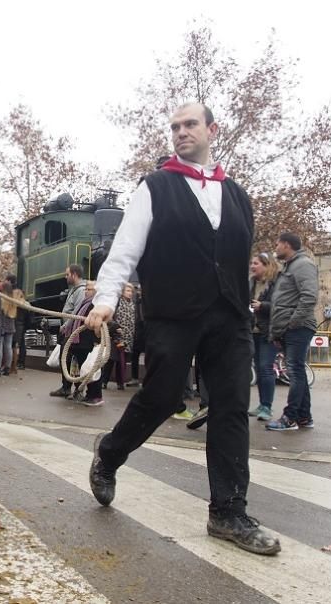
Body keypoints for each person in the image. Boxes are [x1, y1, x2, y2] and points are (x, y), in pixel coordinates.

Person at [85, 103, 280, 555]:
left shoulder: (238, 194)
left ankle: (228, 512)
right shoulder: (155, 187)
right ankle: (110, 454)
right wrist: (106, 300)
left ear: (212, 130)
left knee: (231, 407)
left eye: (189, 124)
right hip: (174, 312)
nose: (180, 132)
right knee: (162, 398)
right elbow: (125, 250)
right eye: (174, 127)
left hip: (229, 316)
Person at [266, 232, 319, 431]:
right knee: (297, 371)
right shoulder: (289, 267)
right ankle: (304, 417)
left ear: (287, 245)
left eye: (277, 244)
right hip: (289, 329)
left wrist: (292, 324)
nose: (276, 247)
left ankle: (290, 417)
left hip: (298, 327)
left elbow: (309, 297)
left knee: (295, 371)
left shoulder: (303, 264)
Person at [61, 281, 104, 406]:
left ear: (96, 291)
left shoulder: (96, 306)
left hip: (88, 343)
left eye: (89, 289)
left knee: (91, 369)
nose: (86, 291)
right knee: (80, 369)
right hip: (79, 343)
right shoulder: (84, 303)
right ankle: (82, 392)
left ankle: (95, 395)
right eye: (86, 288)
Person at [248, 252, 280, 421]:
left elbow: (280, 305)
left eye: (256, 263)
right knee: (259, 369)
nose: (252, 266)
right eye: (252, 263)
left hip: (268, 331)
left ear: (267, 266)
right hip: (253, 331)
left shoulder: (275, 284)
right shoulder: (251, 283)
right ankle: (262, 404)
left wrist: (263, 305)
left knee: (266, 367)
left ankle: (267, 407)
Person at [49, 264, 87, 398]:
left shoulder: (81, 291)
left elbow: (76, 312)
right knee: (65, 359)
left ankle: (76, 389)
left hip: (72, 332)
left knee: (72, 360)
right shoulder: (74, 289)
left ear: (74, 274)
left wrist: (65, 326)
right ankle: (66, 387)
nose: (65, 277)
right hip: (68, 331)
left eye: (67, 274)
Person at [0, 281, 16, 376]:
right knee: (8, 347)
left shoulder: (2, 299)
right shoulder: (13, 300)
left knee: (0, 347)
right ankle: (8, 367)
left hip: (3, 326)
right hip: (11, 326)